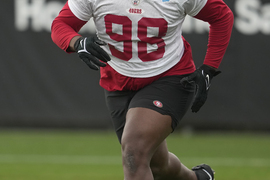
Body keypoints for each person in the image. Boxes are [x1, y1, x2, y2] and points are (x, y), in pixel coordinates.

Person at [51, 0, 234, 179]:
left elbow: (221, 16)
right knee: (157, 166)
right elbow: (61, 24)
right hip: (119, 82)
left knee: (134, 152)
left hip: (169, 76)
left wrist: (209, 67)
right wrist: (77, 42)